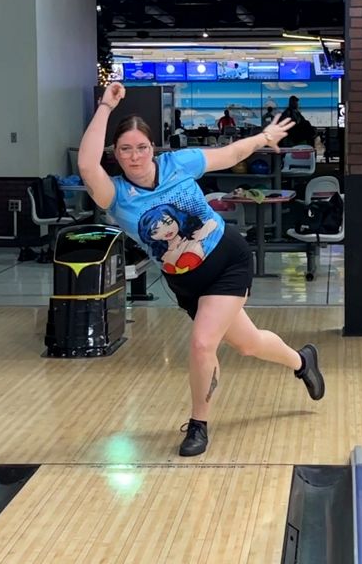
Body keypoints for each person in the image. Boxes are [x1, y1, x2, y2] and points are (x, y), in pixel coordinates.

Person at [80, 82, 326, 457]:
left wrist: (264, 136)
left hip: (228, 260)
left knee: (201, 343)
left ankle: (198, 424)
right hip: (187, 282)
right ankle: (301, 360)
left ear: (152, 148)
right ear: (115, 153)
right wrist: (105, 106)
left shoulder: (177, 164)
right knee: (247, 343)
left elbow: (229, 154)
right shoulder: (112, 194)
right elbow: (85, 163)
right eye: (125, 149)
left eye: (141, 147)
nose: (135, 156)